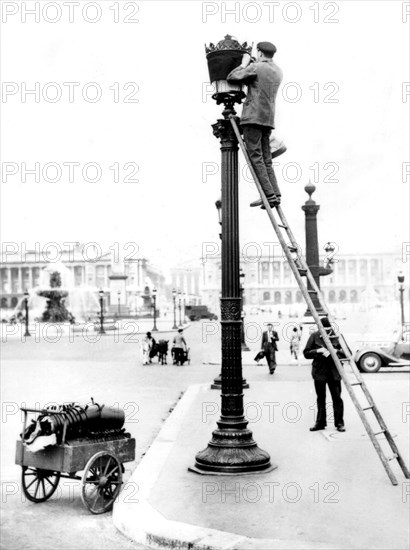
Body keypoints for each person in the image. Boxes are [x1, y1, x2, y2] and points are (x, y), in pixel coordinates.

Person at [227, 41, 284, 209]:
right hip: (268, 120)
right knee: (266, 159)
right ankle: (275, 193)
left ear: (259, 52)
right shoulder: (278, 70)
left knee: (256, 157)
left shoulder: (256, 68)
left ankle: (268, 195)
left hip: (252, 117)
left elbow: (232, 77)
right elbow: (259, 84)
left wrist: (244, 63)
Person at [303, 318, 345, 432]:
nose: (326, 332)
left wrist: (336, 351)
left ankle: (339, 423)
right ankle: (320, 423)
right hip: (319, 372)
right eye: (323, 329)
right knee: (321, 398)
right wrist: (317, 351)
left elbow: (348, 353)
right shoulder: (314, 336)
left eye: (328, 329)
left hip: (334, 372)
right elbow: (306, 353)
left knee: (337, 398)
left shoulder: (337, 336)